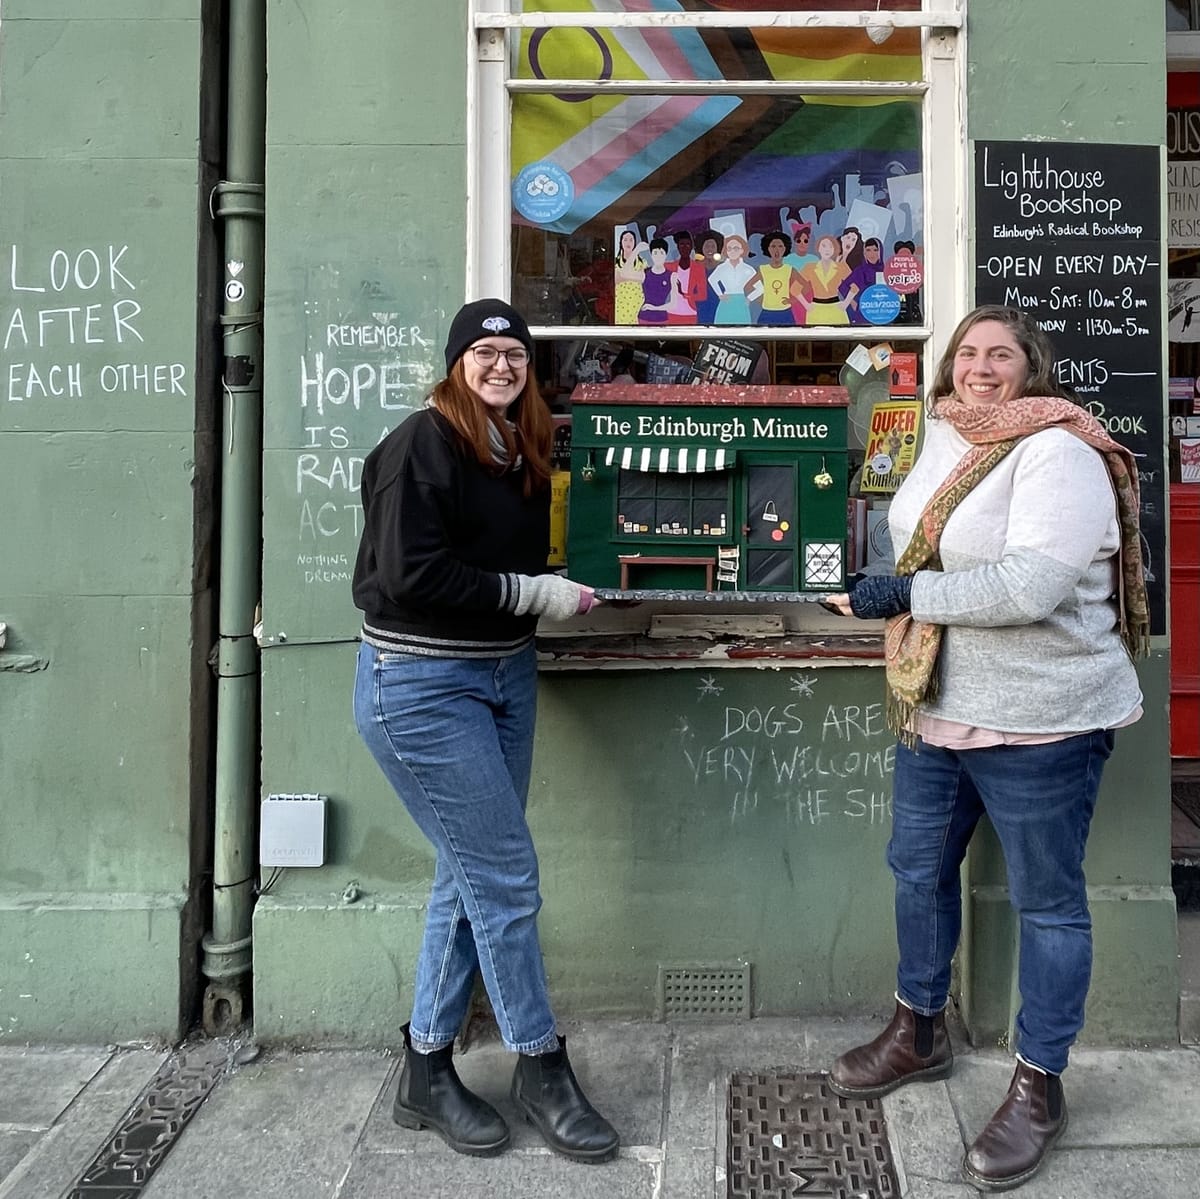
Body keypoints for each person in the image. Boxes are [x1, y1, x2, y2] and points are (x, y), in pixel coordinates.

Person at [822, 305, 1149, 1192]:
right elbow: (922, 540)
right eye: (965, 352)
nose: (979, 366)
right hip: (936, 704)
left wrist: (905, 591)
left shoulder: (1060, 450)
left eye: (999, 354)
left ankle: (1040, 1084)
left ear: (1031, 368)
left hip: (1041, 716)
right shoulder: (943, 436)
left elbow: (1030, 585)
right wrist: (873, 580)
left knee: (1048, 903)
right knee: (916, 868)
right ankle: (917, 1029)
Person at [351, 298, 619, 1164]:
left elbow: (503, 558)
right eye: (484, 351)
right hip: (423, 686)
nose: (501, 364)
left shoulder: (514, 446)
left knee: (467, 877)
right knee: (504, 878)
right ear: (455, 361)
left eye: (514, 353)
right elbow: (413, 571)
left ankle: (425, 1069)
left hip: (505, 676)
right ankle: (540, 1065)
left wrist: (566, 578)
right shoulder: (419, 447)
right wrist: (537, 595)